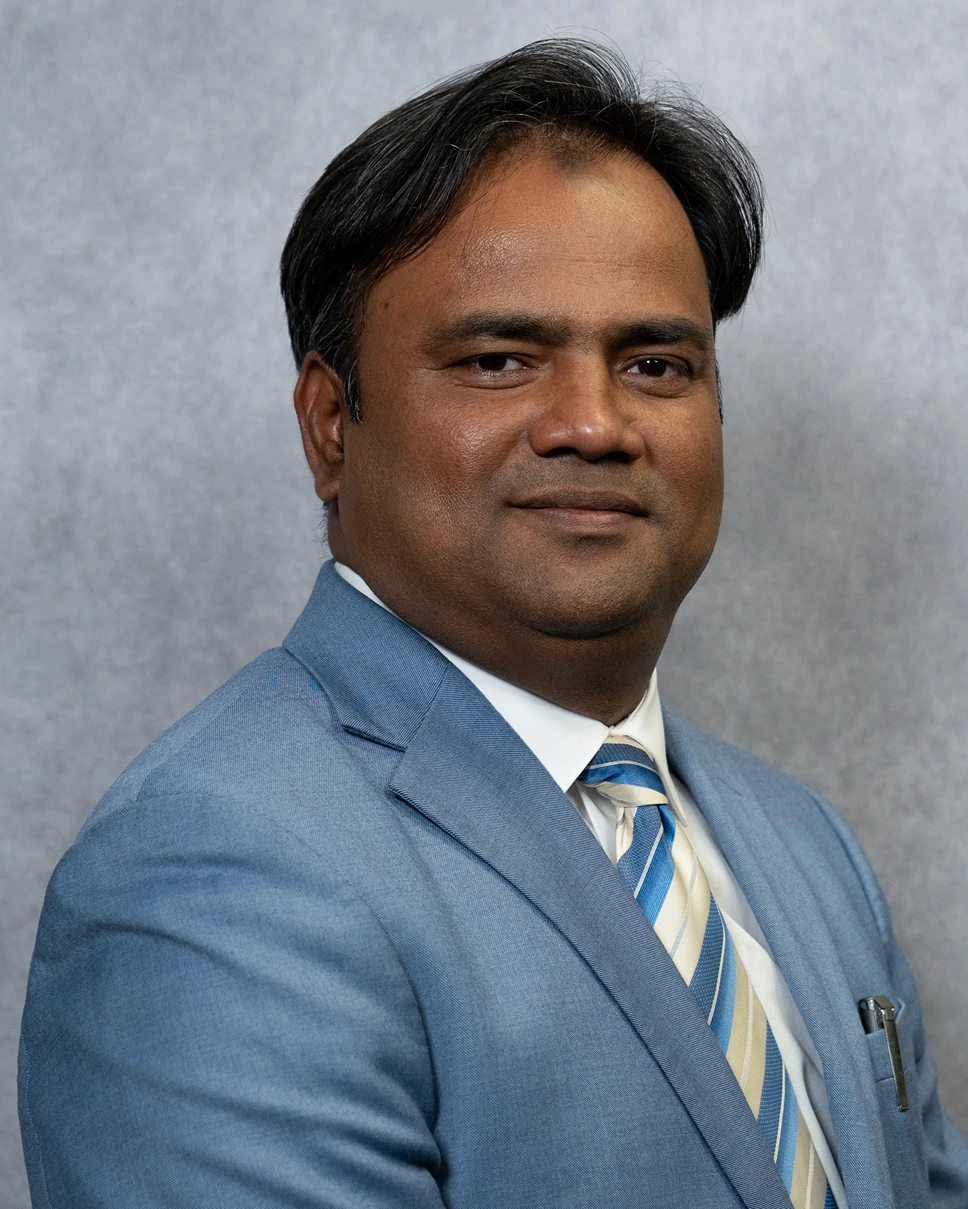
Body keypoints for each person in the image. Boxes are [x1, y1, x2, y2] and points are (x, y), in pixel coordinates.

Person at [18, 38, 968, 1209]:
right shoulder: (213, 869)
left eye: (656, 364)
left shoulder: (802, 846)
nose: (594, 423)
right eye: (500, 359)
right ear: (329, 424)